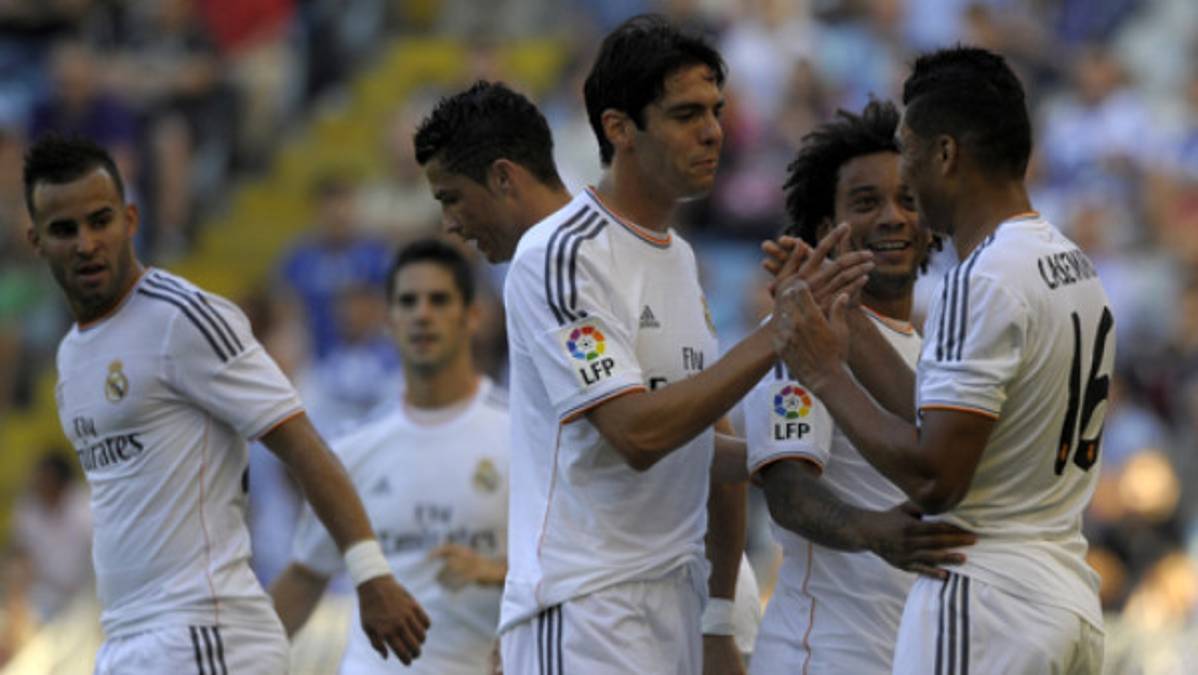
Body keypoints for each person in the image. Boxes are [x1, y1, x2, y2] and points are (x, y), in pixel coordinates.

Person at [472, 16, 871, 674]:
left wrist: (814, 454)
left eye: (716, 110)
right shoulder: (561, 254)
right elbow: (636, 434)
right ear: (618, 127)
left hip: (674, 605)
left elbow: (697, 447)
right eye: (686, 114)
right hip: (584, 611)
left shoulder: (681, 260)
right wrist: (779, 333)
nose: (714, 130)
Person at [23, 134, 429, 673]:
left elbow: (303, 445)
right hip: (124, 636)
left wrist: (371, 572)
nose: (86, 243)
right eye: (64, 229)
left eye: (100, 220)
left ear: (131, 218)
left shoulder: (182, 318)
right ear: (36, 240)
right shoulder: (71, 359)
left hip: (203, 634)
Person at [771, 46, 1113, 674]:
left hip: (984, 599)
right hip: (1062, 594)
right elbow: (942, 418)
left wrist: (825, 374)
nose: (907, 181)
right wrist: (841, 322)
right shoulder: (1070, 264)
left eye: (909, 153)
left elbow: (936, 478)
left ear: (947, 154)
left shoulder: (980, 278)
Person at [743, 100, 975, 674]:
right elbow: (788, 490)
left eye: (908, 200)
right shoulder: (802, 333)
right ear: (827, 230)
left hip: (914, 654)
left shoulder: (936, 352)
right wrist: (872, 531)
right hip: (824, 654)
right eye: (867, 203)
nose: (894, 217)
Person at [271, 238, 509, 674]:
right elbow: (305, 576)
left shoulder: (518, 436)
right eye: (407, 302)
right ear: (390, 319)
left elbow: (566, 564)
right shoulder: (353, 449)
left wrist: (499, 573)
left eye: (439, 300)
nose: (422, 314)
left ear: (473, 316)